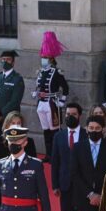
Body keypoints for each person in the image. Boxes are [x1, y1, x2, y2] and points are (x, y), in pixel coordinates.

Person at [51, 103, 86, 211]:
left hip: (83, 185)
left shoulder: (87, 135)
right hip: (65, 184)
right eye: (67, 114)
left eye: (73, 114)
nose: (69, 116)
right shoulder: (59, 136)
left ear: (80, 116)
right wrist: (55, 185)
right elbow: (55, 162)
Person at [33, 31, 69, 163]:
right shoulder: (41, 72)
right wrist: (36, 93)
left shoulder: (57, 72)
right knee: (46, 130)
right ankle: (48, 154)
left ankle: (56, 154)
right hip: (41, 103)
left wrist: (62, 101)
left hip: (52, 103)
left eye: (45, 57)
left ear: (51, 59)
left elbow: (65, 88)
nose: (43, 59)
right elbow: (38, 86)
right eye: (42, 56)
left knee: (55, 131)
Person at [0, 111, 37, 193]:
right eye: (13, 123)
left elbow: (34, 167)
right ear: (7, 125)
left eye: (19, 123)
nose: (16, 125)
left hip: (24, 186)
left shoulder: (29, 142)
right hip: (4, 186)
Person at [0, 50, 25, 117]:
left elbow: (15, 101)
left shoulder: (17, 79)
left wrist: (0, 113)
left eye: (8, 59)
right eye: (3, 59)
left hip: (9, 116)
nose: (5, 61)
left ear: (13, 62)